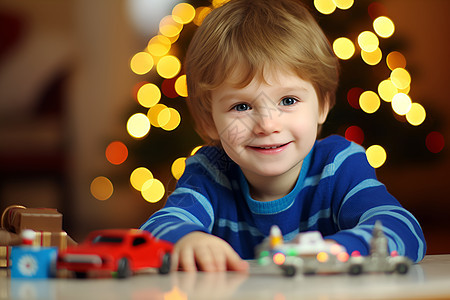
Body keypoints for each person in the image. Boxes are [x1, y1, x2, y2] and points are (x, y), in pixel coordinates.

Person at [140, 0, 426, 272]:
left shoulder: (339, 165)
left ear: (323, 106)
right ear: (210, 121)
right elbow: (155, 231)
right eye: (241, 106)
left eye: (288, 100)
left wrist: (338, 250)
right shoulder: (209, 173)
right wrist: (188, 239)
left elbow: (403, 228)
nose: (267, 124)